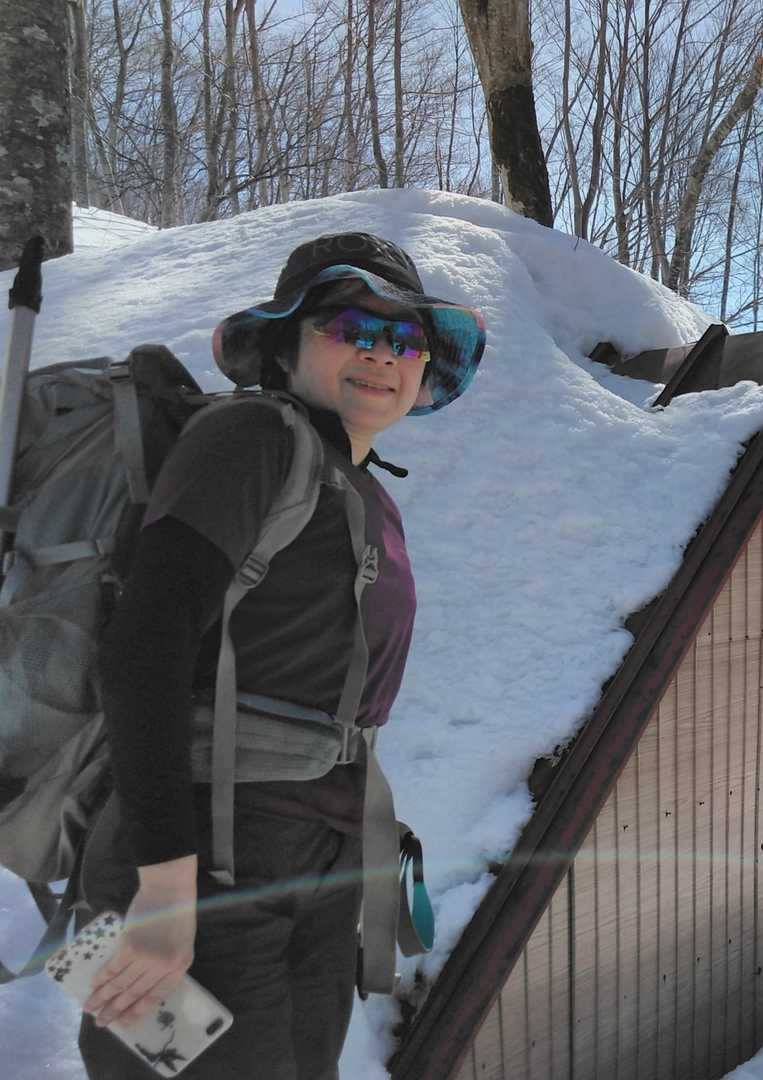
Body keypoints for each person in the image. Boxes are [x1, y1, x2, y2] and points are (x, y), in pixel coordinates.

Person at [73, 233, 485, 1079]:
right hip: (196, 864)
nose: (382, 353)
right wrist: (163, 888)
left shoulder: (364, 492)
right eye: (350, 327)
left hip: (312, 867)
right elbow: (142, 652)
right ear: (285, 345)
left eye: (405, 338)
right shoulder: (249, 436)